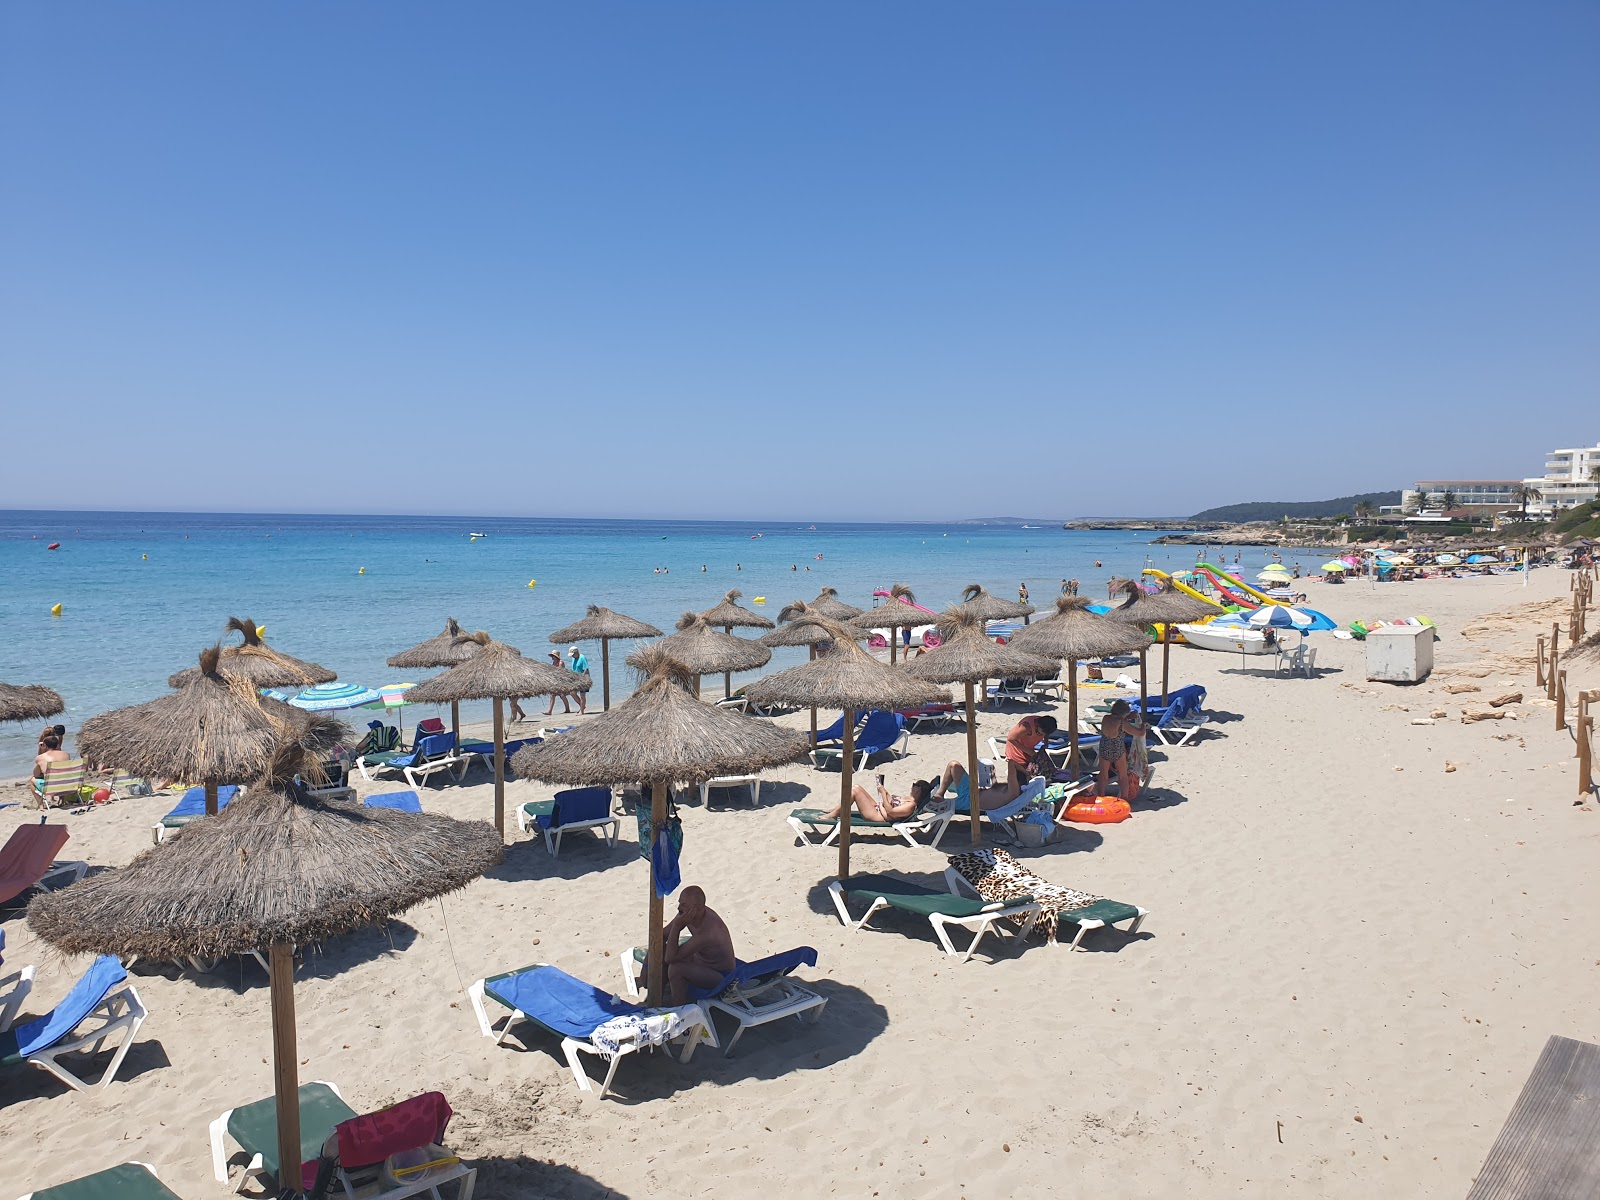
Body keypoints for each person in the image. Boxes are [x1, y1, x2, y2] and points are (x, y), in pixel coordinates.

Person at [662, 886, 736, 1004]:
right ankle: (655, 990)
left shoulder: (709, 931)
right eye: (680, 903)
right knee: (662, 949)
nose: (679, 908)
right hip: (701, 962)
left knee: (675, 969)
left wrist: (677, 927)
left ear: (696, 908)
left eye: (684, 905)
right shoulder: (689, 913)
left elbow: (670, 958)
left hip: (720, 976)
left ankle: (679, 1007)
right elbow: (663, 934)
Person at [822, 772, 932, 823]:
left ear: (919, 790)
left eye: (914, 785)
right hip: (879, 809)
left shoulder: (911, 805)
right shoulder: (908, 798)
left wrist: (883, 797)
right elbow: (890, 802)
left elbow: (890, 812)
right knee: (857, 787)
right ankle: (837, 809)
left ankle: (834, 814)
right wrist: (883, 791)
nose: (911, 787)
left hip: (876, 815)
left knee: (855, 791)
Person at [1096, 700, 1145, 799]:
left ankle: (1100, 796)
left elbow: (1116, 718)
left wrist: (1128, 716)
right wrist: (1144, 726)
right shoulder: (1123, 723)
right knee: (1123, 776)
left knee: (1103, 775)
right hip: (1117, 748)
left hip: (1104, 747)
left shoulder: (1105, 718)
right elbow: (1140, 733)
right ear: (1124, 713)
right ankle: (1124, 798)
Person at [34, 732, 70, 799]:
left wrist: (41, 750)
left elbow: (36, 774)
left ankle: (41, 805)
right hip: (68, 785)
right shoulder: (66, 754)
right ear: (57, 744)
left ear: (45, 745)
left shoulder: (40, 757)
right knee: (61, 775)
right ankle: (62, 799)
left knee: (32, 780)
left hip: (51, 788)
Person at [544, 651, 575, 716]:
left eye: (553, 656)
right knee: (552, 695)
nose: (552, 657)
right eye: (552, 656)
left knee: (562, 696)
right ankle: (550, 711)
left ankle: (567, 709)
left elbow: (560, 672)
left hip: (561, 681)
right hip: (555, 681)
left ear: (556, 656)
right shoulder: (554, 662)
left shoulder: (560, 662)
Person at [567, 646, 591, 714]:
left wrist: (582, 678)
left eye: (573, 655)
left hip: (584, 679)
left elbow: (586, 669)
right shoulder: (573, 658)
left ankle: (582, 711)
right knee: (572, 693)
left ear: (576, 652)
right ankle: (582, 706)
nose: (572, 656)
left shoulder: (582, 658)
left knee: (582, 695)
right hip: (576, 679)